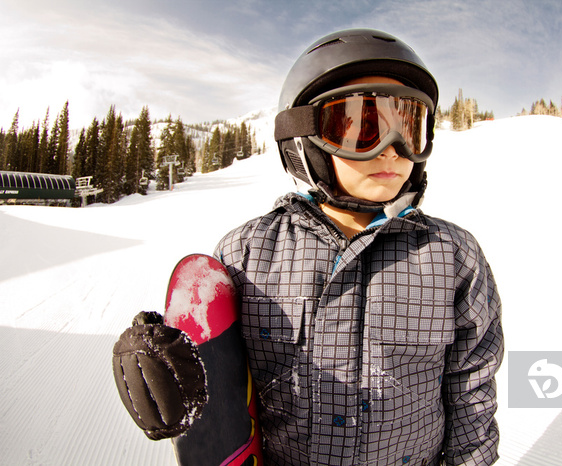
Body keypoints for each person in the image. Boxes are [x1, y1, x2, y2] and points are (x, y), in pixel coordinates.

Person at [114, 28, 503, 466]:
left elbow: (472, 391)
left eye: (410, 128)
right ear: (304, 137)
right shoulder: (248, 254)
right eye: (365, 128)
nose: (394, 152)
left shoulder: (451, 257)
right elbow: (222, 385)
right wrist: (176, 375)